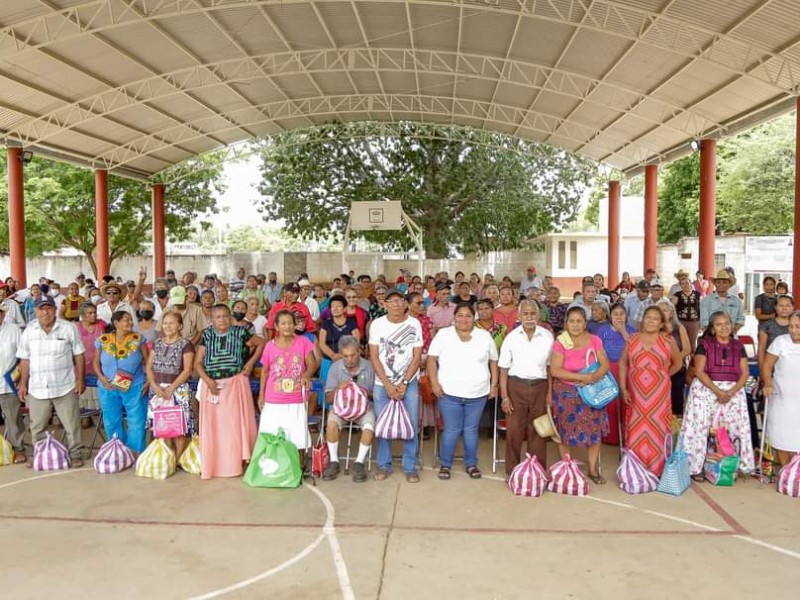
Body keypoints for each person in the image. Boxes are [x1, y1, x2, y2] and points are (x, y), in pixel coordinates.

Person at [680, 312, 754, 480]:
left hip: (732, 392)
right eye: (719, 324)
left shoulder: (738, 345)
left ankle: (734, 465)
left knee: (736, 427)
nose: (724, 327)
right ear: (712, 329)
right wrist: (718, 392)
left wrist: (730, 392)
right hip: (706, 390)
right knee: (699, 427)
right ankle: (694, 467)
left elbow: (745, 373)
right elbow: (698, 371)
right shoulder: (704, 344)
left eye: (727, 323)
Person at [428, 303, 498, 480]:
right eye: (460, 315)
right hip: (449, 393)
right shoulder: (444, 335)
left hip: (478, 393)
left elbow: (494, 361)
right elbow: (431, 359)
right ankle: (445, 465)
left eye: (468, 316)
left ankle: (471, 464)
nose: (464, 319)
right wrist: (434, 383)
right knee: (451, 429)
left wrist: (494, 385)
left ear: (473, 318)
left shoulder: (484, 336)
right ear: (454, 317)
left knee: (471, 430)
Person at [17, 296, 86, 467]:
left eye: (49, 308)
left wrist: (80, 379)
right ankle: (40, 454)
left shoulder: (68, 328)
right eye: (41, 308)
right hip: (38, 387)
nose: (45, 312)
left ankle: (76, 454)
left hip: (65, 385)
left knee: (72, 424)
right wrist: (23, 383)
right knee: (37, 426)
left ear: (55, 310)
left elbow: (79, 354)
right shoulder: (29, 331)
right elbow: (24, 359)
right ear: (35, 311)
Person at [195, 304, 263, 479]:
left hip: (235, 384)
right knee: (215, 428)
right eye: (218, 317)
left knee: (234, 426)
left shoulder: (241, 332)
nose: (222, 319)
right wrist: (207, 380)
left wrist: (250, 363)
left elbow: (261, 343)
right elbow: (197, 362)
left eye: (225, 316)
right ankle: (216, 464)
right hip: (212, 386)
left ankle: (237, 462)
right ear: (212, 319)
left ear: (230, 317)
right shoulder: (207, 335)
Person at [619, 306, 682, 476]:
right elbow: (623, 362)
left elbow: (678, 363)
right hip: (636, 394)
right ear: (643, 320)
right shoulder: (632, 339)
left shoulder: (668, 341)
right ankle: (635, 468)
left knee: (658, 427)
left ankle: (657, 469)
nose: (651, 321)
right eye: (648, 317)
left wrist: (663, 375)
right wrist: (623, 387)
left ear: (662, 323)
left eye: (655, 318)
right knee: (635, 425)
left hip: (659, 396)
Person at [549, 306, 610, 484]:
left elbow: (604, 364)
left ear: (585, 323)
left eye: (579, 321)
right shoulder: (561, 342)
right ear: (566, 323)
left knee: (595, 430)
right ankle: (567, 466)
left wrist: (592, 378)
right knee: (564, 432)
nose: (575, 325)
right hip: (567, 392)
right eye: (571, 321)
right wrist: (581, 377)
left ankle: (592, 469)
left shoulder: (594, 340)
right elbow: (555, 370)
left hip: (592, 391)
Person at [369, 288, 424, 483]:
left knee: (411, 423)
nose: (395, 305)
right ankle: (384, 465)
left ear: (405, 304)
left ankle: (410, 466)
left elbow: (417, 357)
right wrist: (388, 385)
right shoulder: (377, 325)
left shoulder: (414, 324)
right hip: (382, 384)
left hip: (408, 383)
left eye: (399, 301)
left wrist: (404, 382)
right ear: (384, 304)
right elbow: (374, 356)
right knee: (383, 425)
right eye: (390, 301)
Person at [497, 300, 554, 476]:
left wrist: (550, 393)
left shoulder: (547, 336)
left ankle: (536, 471)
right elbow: (503, 370)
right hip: (516, 387)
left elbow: (550, 368)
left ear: (538, 316)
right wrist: (505, 397)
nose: (529, 317)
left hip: (540, 387)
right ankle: (512, 471)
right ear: (519, 316)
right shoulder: (511, 337)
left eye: (533, 314)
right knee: (514, 431)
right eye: (526, 314)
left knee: (538, 431)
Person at [258, 310, 316, 460]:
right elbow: (264, 372)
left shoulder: (303, 342)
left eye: (290, 323)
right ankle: (273, 465)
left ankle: (299, 464)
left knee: (297, 434)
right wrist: (261, 396)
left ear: (295, 325)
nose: (287, 326)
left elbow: (312, 364)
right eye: (283, 323)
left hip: (296, 398)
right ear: (276, 327)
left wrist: (306, 375)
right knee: (271, 433)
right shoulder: (269, 346)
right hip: (273, 399)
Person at [93, 311, 149, 453]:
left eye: (131, 320)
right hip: (107, 386)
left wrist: (148, 382)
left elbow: (148, 361)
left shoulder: (139, 339)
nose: (130, 323)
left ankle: (135, 452)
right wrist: (101, 377)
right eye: (126, 320)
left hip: (135, 386)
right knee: (111, 420)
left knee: (136, 420)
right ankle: (117, 450)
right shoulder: (103, 340)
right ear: (116, 323)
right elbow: (95, 362)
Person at [322, 336, 376, 483]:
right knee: (331, 423)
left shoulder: (369, 367)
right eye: (345, 356)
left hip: (364, 408)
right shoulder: (335, 367)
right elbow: (328, 399)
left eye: (353, 355)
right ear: (340, 354)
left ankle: (359, 463)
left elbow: (376, 396)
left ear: (359, 352)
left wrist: (361, 391)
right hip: (341, 407)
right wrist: (339, 389)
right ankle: (334, 462)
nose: (349, 359)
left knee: (369, 426)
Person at [144, 310, 196, 460]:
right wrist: (153, 385)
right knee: (163, 426)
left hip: (178, 390)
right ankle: (167, 457)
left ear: (180, 326)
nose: (168, 326)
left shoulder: (186, 344)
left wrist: (172, 388)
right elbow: (149, 367)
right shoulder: (158, 343)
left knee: (179, 426)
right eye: (165, 323)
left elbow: (187, 370)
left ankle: (178, 458)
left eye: (172, 323)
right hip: (158, 389)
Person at [761, 311, 800, 466]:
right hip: (782, 395)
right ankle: (786, 470)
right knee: (780, 432)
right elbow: (767, 365)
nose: (793, 330)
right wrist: (768, 383)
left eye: (798, 326)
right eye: (791, 326)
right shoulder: (780, 341)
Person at [595, 303, 636, 446]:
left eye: (622, 314)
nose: (619, 317)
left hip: (627, 369)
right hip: (608, 368)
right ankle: (610, 436)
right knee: (610, 403)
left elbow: (635, 349)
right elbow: (598, 350)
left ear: (626, 316)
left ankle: (627, 435)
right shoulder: (603, 330)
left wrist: (623, 332)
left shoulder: (632, 330)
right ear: (610, 316)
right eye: (615, 314)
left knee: (626, 401)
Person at [0, 304, 25, 462]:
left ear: (2, 314)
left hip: (8, 382)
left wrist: (21, 379)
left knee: (13, 418)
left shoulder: (14, 330)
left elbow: (23, 356)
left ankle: (17, 449)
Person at [658, 299, 691, 416]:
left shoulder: (679, 327)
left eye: (665, 310)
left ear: (671, 313)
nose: (662, 312)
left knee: (676, 401)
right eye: (659, 310)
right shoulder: (654, 330)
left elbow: (687, 349)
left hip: (677, 370)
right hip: (659, 370)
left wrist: (674, 360)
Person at [319, 294, 361, 387]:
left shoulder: (351, 323)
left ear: (345, 308)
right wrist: (333, 356)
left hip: (349, 360)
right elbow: (322, 343)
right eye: (332, 307)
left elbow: (356, 341)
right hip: (329, 359)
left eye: (338, 306)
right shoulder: (326, 323)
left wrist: (344, 356)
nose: (335, 308)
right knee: (328, 388)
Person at [77, 302, 106, 418]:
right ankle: (86, 417)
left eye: (94, 312)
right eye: (90, 313)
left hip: (99, 365)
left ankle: (100, 416)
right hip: (81, 365)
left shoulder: (102, 325)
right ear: (83, 315)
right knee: (83, 393)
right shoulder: (76, 327)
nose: (93, 315)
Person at [757, 295, 792, 369]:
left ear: (793, 307)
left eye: (788, 305)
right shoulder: (766, 326)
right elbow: (761, 349)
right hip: (771, 366)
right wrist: (762, 370)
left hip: (793, 366)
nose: (784, 308)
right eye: (781, 305)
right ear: (775, 307)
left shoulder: (797, 325)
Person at [672, 275, 701, 354]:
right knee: (681, 342)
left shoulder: (698, 294)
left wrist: (701, 322)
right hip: (681, 322)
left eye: (687, 283)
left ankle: (691, 362)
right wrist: (674, 321)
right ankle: (682, 362)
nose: (686, 285)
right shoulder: (677, 295)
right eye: (683, 283)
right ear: (680, 286)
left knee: (692, 342)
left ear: (690, 283)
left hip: (694, 322)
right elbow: (672, 307)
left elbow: (701, 308)